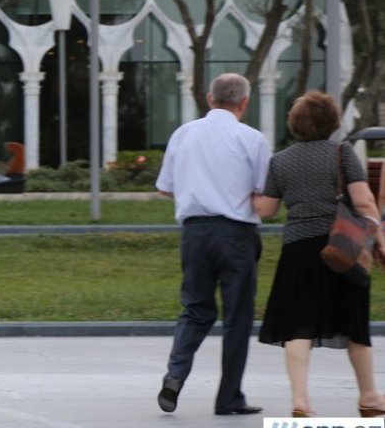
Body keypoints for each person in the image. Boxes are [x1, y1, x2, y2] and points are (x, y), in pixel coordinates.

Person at [254, 91, 385, 418]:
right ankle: (369, 397)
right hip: (344, 247)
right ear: (333, 122)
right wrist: (378, 237)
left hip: (297, 248)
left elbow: (267, 209)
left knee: (298, 324)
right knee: (354, 322)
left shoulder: (280, 161)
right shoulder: (343, 154)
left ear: (295, 124)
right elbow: (365, 202)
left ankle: (300, 400)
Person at [154, 73, 271, 415]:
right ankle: (228, 397)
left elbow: (165, 187)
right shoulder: (252, 139)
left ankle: (175, 375)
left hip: (195, 233)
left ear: (209, 98)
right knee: (238, 317)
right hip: (236, 235)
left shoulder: (183, 134)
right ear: (244, 102)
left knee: (195, 309)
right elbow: (263, 192)